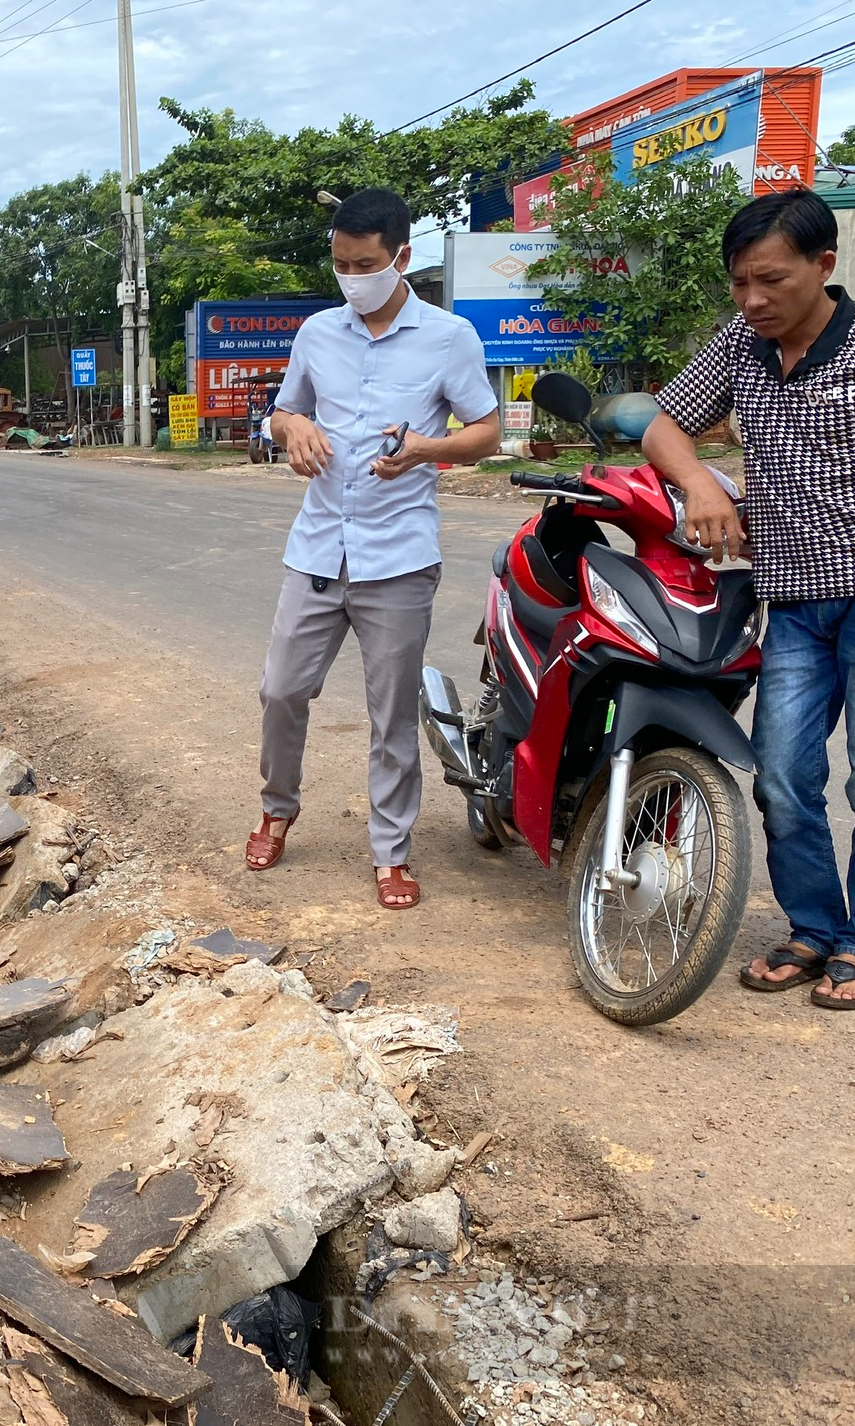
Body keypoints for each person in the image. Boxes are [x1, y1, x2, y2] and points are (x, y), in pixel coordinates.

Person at [643, 188, 855, 1010]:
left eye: (772, 280)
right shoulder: (740, 344)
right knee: (783, 776)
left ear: (823, 265)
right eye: (739, 283)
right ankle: (811, 928)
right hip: (794, 600)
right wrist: (697, 480)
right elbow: (663, 425)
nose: (754, 300)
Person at [248, 187, 501, 908]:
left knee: (390, 712)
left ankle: (392, 852)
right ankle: (278, 806)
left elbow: (485, 434)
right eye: (341, 264)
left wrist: (429, 448)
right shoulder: (317, 334)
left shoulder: (450, 338)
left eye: (365, 263)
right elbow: (283, 411)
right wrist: (290, 431)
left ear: (402, 258)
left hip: (398, 558)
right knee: (281, 689)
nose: (352, 277)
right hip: (318, 547)